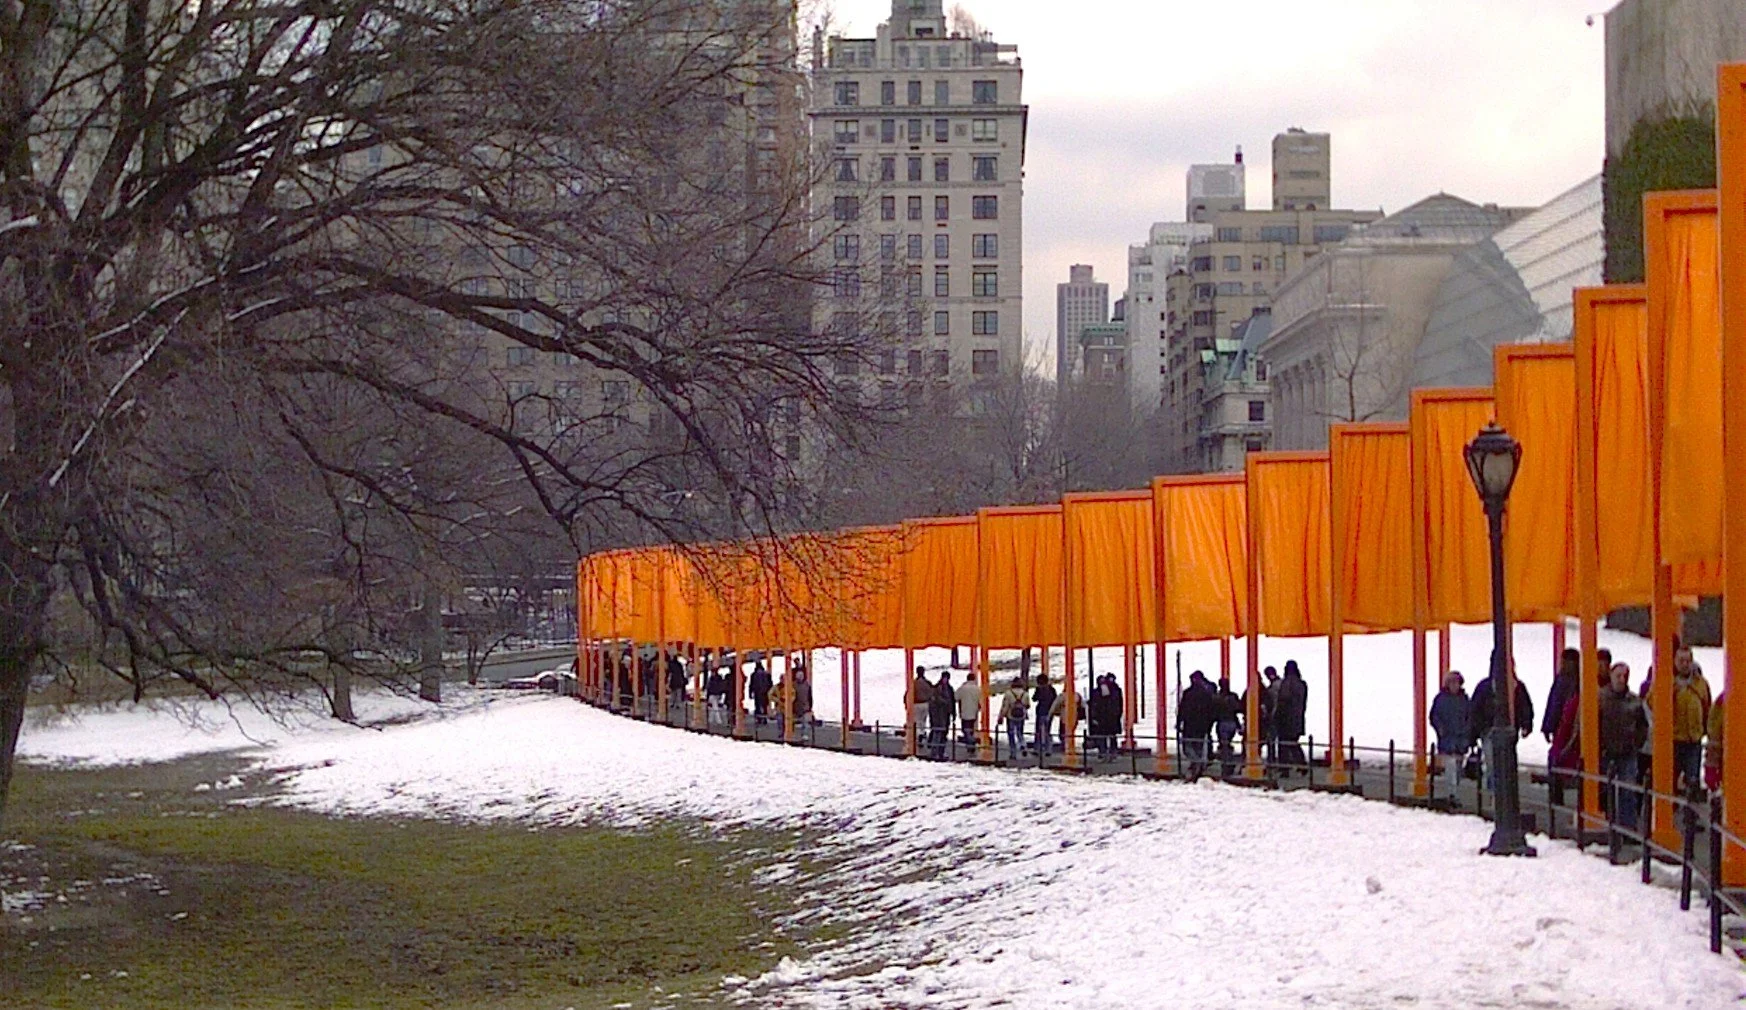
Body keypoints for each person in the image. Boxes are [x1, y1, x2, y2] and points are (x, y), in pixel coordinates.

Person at [1468, 655, 1533, 790]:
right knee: (1496, 764)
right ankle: (1497, 791)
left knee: (1500, 764)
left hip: (1498, 729)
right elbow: (1475, 711)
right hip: (1492, 730)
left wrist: (1526, 724)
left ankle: (1497, 791)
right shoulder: (1514, 686)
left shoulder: (1514, 686)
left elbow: (1525, 707)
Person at [1600, 661, 1649, 834]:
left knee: (1628, 790)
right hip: (1606, 751)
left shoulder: (1634, 701)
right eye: (1618, 676)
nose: (1622, 680)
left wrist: (1637, 743)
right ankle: (1610, 823)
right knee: (1606, 789)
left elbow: (1643, 725)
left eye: (1625, 676)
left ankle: (1628, 828)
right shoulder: (1601, 698)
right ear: (1611, 676)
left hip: (1628, 752)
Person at [1672, 645, 1713, 793]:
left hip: (1693, 741)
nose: (1684, 664)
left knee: (1693, 781)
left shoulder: (1700, 683)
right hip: (1673, 741)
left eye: (1688, 661)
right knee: (1670, 781)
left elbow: (1708, 708)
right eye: (1681, 661)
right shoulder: (1667, 682)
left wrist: (1705, 731)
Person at [1428, 671, 1472, 804]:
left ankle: (1454, 792)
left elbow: (1470, 717)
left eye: (1457, 683)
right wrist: (1440, 729)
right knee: (1451, 767)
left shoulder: (1464, 699)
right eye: (1452, 683)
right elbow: (1434, 716)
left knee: (1458, 768)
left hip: (1461, 739)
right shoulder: (1440, 699)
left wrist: (1467, 732)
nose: (1455, 685)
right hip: (1447, 738)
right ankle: (1452, 794)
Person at [1176, 671, 1219, 780]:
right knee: (1198, 746)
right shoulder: (1206, 694)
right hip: (1202, 726)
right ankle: (1198, 765)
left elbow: (1182, 709)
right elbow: (1211, 710)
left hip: (1189, 725)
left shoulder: (1188, 693)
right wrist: (1209, 724)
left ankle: (1196, 763)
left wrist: (1179, 722)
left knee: (1187, 746)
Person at [1274, 661, 1309, 774]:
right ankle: (1301, 764)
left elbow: (1283, 701)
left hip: (1285, 719)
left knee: (1284, 744)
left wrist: (1276, 716)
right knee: (1293, 742)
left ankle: (1284, 768)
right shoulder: (1302, 684)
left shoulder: (1286, 683)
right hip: (1298, 718)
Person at [1542, 647, 1579, 744]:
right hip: (1572, 725)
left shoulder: (1562, 679)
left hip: (1562, 725)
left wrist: (1548, 726)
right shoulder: (1580, 678)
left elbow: (1554, 703)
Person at [1215, 677, 1243, 778]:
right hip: (1232, 723)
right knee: (1227, 743)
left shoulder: (1218, 697)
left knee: (1224, 744)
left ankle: (1227, 765)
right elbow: (1238, 709)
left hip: (1222, 722)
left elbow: (1214, 711)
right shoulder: (1233, 696)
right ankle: (1229, 762)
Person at [999, 676, 1030, 762]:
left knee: (1011, 734)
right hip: (1021, 716)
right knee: (1020, 732)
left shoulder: (1008, 693)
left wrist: (1001, 716)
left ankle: (1013, 753)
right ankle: (1023, 745)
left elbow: (1005, 706)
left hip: (1011, 716)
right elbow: (1027, 705)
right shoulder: (1025, 694)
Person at [928, 670, 955, 759]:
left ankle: (940, 752)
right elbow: (935, 702)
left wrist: (953, 712)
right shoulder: (937, 689)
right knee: (937, 733)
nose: (945, 680)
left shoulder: (949, 689)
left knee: (943, 734)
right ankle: (935, 752)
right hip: (938, 715)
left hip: (945, 715)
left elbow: (952, 701)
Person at [1032, 672, 1058, 756]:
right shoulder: (1052, 689)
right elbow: (1055, 700)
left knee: (1038, 730)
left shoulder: (1039, 689)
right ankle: (1048, 749)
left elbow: (1034, 698)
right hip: (1049, 711)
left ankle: (1037, 748)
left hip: (1040, 711)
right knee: (1047, 730)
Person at [955, 672, 983, 747]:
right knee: (971, 729)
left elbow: (956, 697)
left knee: (965, 729)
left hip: (964, 712)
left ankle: (970, 742)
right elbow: (980, 700)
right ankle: (971, 742)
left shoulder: (962, 688)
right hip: (974, 712)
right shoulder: (977, 689)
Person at [908, 667, 932, 745]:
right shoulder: (927, 683)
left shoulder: (914, 683)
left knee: (917, 721)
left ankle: (919, 735)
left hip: (916, 704)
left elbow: (908, 693)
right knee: (923, 720)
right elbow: (931, 693)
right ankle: (922, 732)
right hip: (925, 704)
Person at [749, 660, 772, 725]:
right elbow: (770, 684)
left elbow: (751, 685)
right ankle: (764, 719)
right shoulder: (767, 674)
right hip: (765, 692)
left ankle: (759, 719)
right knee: (765, 706)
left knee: (757, 706)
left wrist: (750, 693)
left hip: (757, 692)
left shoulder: (754, 674)